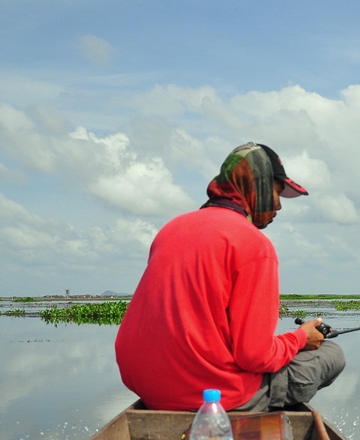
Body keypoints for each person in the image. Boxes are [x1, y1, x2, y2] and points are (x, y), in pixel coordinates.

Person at [115, 142, 345, 411]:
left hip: (150, 388)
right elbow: (255, 357)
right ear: (256, 184)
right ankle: (258, 409)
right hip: (214, 395)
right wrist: (299, 338)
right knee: (332, 354)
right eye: (277, 192)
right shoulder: (254, 244)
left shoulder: (172, 228)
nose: (279, 206)